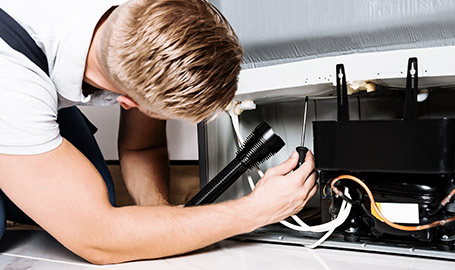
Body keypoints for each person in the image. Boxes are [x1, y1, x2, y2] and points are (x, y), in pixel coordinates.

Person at [0, 0, 318, 264]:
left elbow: (143, 147)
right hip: (12, 81)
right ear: (126, 102)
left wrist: (165, 220)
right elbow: (96, 238)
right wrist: (253, 211)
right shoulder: (13, 81)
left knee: (101, 201)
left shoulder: (149, 20)